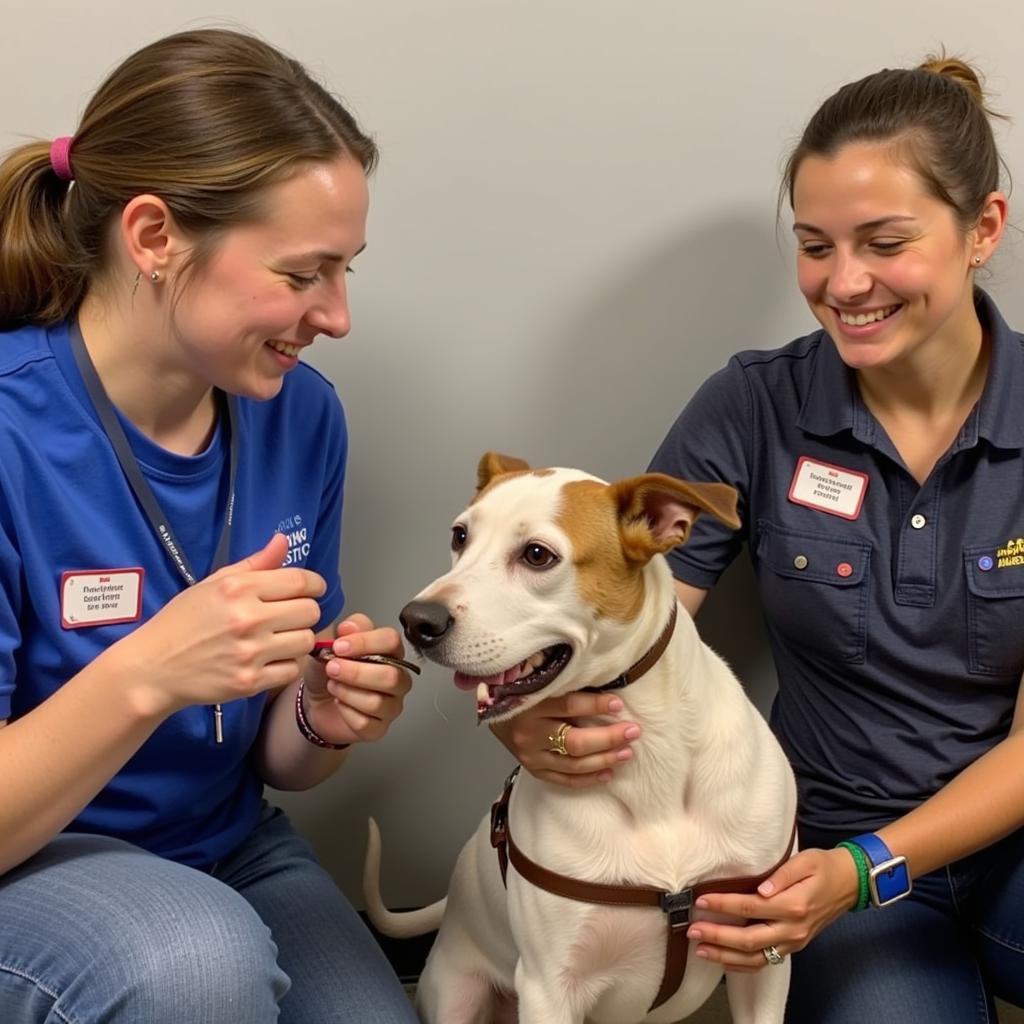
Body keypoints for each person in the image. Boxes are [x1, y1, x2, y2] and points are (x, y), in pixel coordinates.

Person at [496, 55, 1024, 1022]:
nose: (844, 282)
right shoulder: (752, 404)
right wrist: (537, 722)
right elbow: (631, 630)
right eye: (816, 246)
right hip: (818, 863)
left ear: (982, 229)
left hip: (982, 849)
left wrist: (873, 868)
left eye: (885, 241)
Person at [0, 28, 419, 1024]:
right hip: (33, 861)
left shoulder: (301, 414)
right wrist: (151, 668)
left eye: (347, 269)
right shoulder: (13, 429)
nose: (338, 314)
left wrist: (324, 710)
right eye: (303, 272)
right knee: (196, 959)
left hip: (224, 837)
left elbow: (278, 756)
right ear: (153, 237)